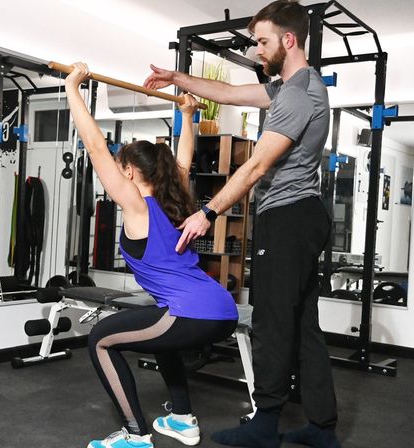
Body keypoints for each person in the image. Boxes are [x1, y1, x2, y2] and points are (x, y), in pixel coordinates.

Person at [144, 1, 340, 448]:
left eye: (263, 41)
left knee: (271, 320)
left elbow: (254, 169)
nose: (257, 50)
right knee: (303, 322)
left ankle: (265, 420)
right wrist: (177, 78)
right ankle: (322, 428)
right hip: (302, 214)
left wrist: (207, 212)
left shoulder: (297, 94)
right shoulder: (294, 86)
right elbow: (230, 95)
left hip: (288, 216)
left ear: (289, 40)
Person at [65, 62, 238, 448]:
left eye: (119, 167)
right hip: (221, 310)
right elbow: (185, 157)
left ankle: (135, 435)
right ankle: (181, 419)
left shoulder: (137, 205)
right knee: (163, 337)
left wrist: (73, 89)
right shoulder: (173, 199)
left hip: (191, 312)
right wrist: (188, 116)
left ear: (127, 171)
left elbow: (95, 147)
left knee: (100, 339)